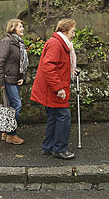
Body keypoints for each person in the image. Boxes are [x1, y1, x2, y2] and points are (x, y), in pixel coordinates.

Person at [30, 18, 77, 159]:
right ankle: (59, 149)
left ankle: (48, 147)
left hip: (51, 88)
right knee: (63, 117)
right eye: (72, 31)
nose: (74, 34)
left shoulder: (58, 43)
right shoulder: (57, 44)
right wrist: (58, 88)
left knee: (54, 117)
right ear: (64, 30)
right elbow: (48, 67)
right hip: (53, 89)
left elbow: (58, 65)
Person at [0, 19, 28, 145]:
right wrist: (0, 82)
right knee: (16, 105)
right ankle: (11, 134)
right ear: (13, 28)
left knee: (10, 107)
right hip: (7, 79)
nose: (22, 28)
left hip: (14, 79)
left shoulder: (18, 43)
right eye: (20, 26)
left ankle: (5, 132)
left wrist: (22, 76)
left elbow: (19, 63)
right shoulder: (7, 42)